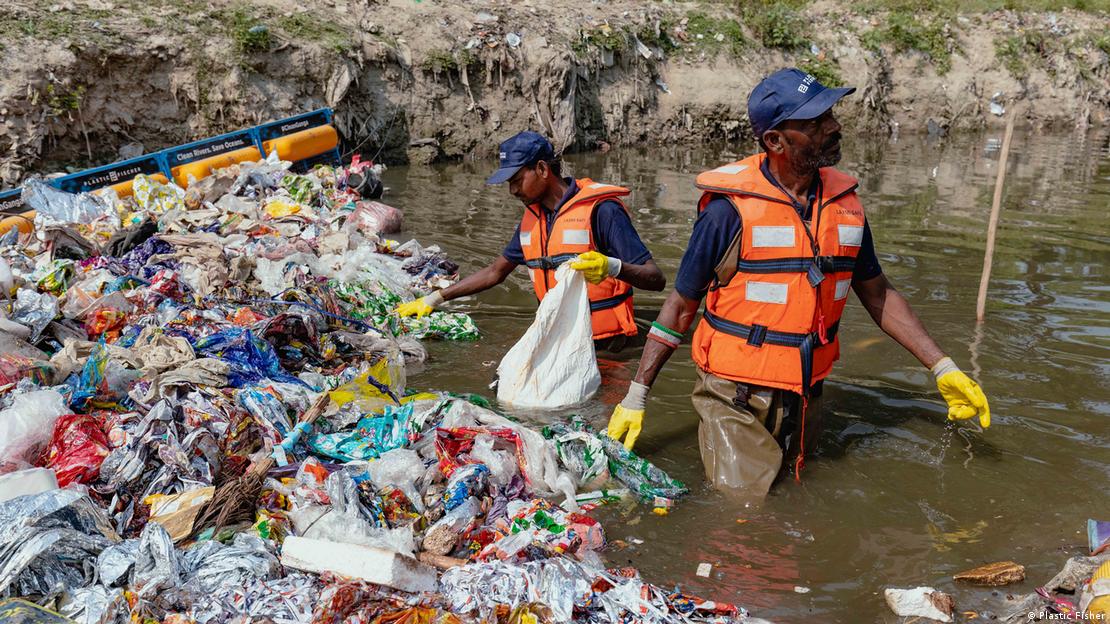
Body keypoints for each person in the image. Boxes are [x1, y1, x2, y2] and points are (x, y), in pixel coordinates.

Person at [605, 68, 991, 494]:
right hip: (735, 395)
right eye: (815, 122)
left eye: (831, 114)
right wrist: (636, 395)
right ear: (775, 141)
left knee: (800, 493)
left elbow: (878, 292)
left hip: (807, 395)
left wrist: (942, 366)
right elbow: (680, 306)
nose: (834, 126)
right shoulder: (726, 212)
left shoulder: (845, 207)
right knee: (744, 515)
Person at [395, 131, 665, 351]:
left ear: (542, 169)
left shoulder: (603, 211)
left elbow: (655, 279)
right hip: (556, 341)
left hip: (607, 348)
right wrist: (434, 298)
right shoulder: (532, 220)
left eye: (517, 180)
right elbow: (495, 272)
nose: (512, 190)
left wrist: (611, 266)